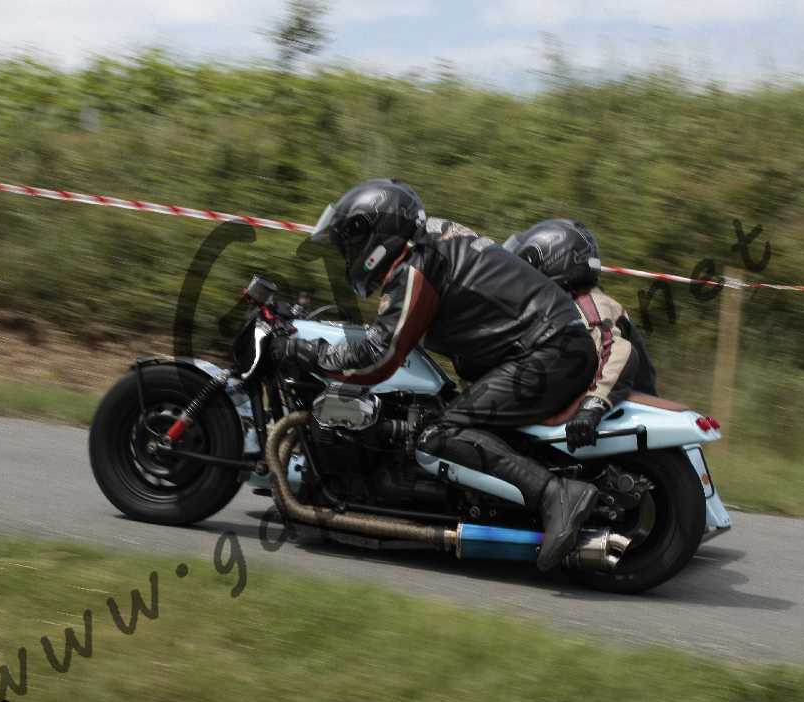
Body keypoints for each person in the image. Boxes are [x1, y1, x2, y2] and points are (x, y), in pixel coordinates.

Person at [275, 178, 614, 571]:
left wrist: (308, 352)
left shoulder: (415, 267)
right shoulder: (429, 244)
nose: (349, 255)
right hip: (546, 347)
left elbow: (379, 355)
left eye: (350, 244)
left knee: (441, 434)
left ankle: (556, 495)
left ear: (376, 237)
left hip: (549, 351)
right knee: (438, 411)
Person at [503, 219, 657, 419]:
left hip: (622, 415)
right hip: (598, 407)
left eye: (527, 265)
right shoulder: (559, 305)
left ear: (554, 261)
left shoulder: (590, 305)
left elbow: (617, 353)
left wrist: (593, 405)